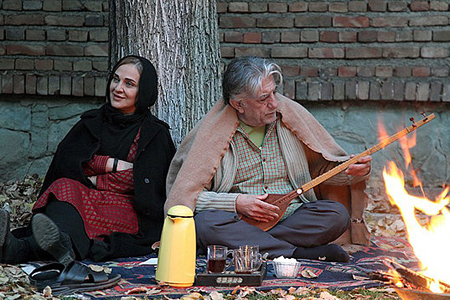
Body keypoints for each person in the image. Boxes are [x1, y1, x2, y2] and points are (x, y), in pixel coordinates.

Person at [165, 56, 372, 263]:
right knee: (205, 224)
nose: (274, 103)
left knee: (335, 214)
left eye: (274, 92)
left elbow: (320, 172)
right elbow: (187, 198)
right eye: (263, 98)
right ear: (239, 104)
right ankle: (296, 253)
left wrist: (349, 173)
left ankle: (250, 247)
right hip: (239, 221)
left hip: (291, 218)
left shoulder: (290, 119)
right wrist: (236, 203)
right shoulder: (210, 134)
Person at [0, 55, 176, 266]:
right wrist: (111, 164)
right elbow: (69, 166)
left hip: (127, 209)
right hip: (82, 197)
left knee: (72, 205)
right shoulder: (91, 122)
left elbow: (140, 183)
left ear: (143, 91)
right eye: (115, 79)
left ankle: (20, 249)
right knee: (63, 188)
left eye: (129, 84)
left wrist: (92, 175)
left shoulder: (154, 134)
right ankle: (56, 246)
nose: (118, 88)